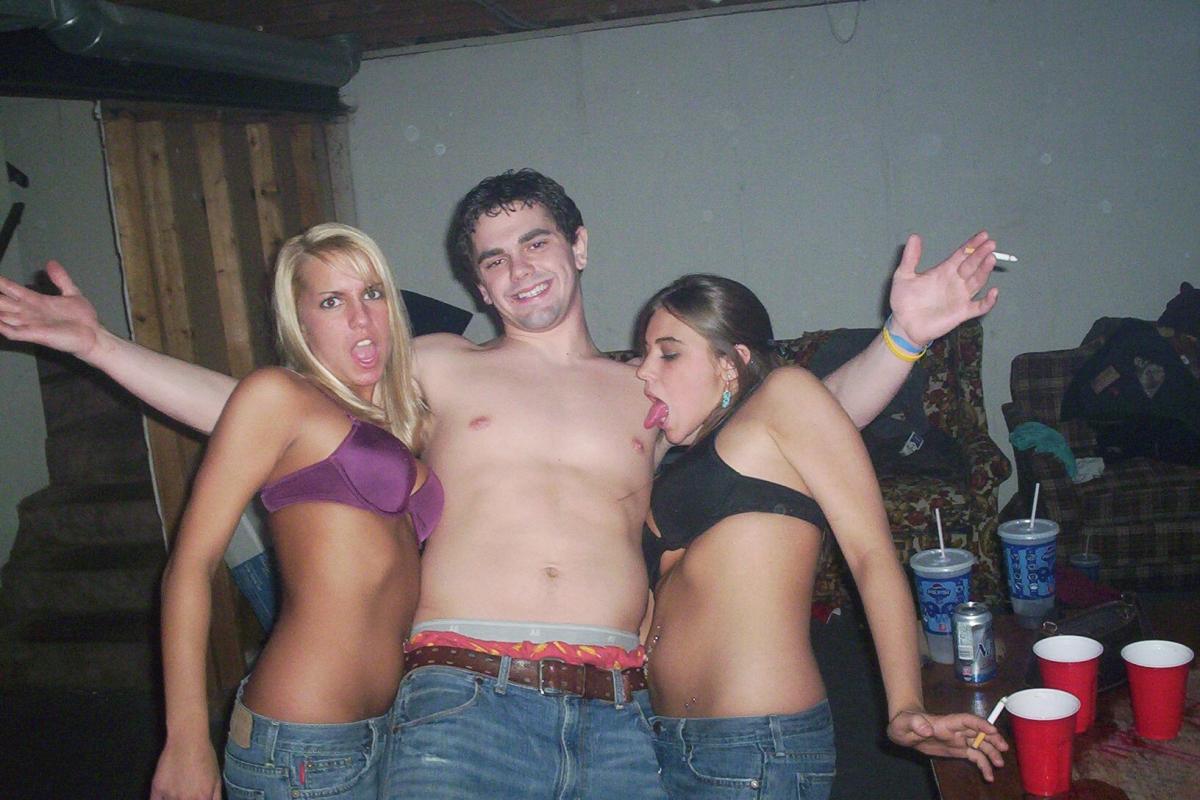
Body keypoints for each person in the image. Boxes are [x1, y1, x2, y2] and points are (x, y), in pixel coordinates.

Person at [0, 169, 999, 799]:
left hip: (622, 713)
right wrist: (102, 347)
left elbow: (805, 423)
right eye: (492, 259)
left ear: (579, 246)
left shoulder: (649, 386)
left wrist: (905, 337)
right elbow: (256, 415)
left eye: (535, 242)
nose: (517, 269)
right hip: (460, 701)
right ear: (478, 285)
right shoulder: (438, 368)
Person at [634, 274, 1007, 798]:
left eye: (668, 353)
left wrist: (906, 704)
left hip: (752, 747)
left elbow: (871, 554)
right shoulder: (689, 460)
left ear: (729, 363)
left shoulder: (782, 399)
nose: (644, 370)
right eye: (645, 353)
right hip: (658, 739)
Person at [146, 223, 442, 800]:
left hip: (394, 731)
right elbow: (189, 566)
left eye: (372, 294)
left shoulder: (404, 421)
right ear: (300, 322)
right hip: (301, 745)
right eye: (332, 302)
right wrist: (185, 739)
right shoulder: (280, 396)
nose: (361, 318)